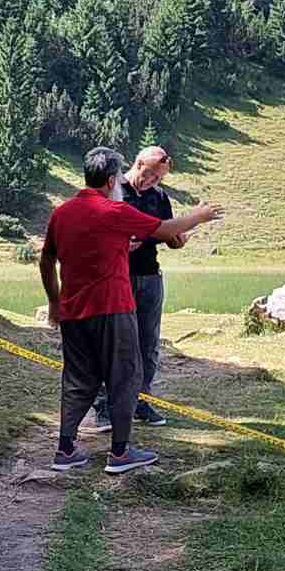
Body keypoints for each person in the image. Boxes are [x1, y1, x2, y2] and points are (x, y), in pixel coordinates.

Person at [42, 147, 221, 474]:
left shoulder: (62, 212)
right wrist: (201, 215)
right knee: (126, 375)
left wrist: (54, 302)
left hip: (73, 312)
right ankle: (120, 454)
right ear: (112, 179)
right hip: (113, 307)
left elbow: (46, 260)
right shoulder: (115, 211)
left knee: (77, 378)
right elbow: (167, 231)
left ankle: (65, 449)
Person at [80, 147, 179, 433]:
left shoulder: (159, 197)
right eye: (149, 174)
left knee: (147, 344)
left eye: (158, 178)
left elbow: (167, 233)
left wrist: (177, 238)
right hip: (114, 277)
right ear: (137, 164)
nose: (152, 182)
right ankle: (103, 408)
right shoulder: (111, 190)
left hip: (149, 277)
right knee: (111, 343)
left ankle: (140, 402)